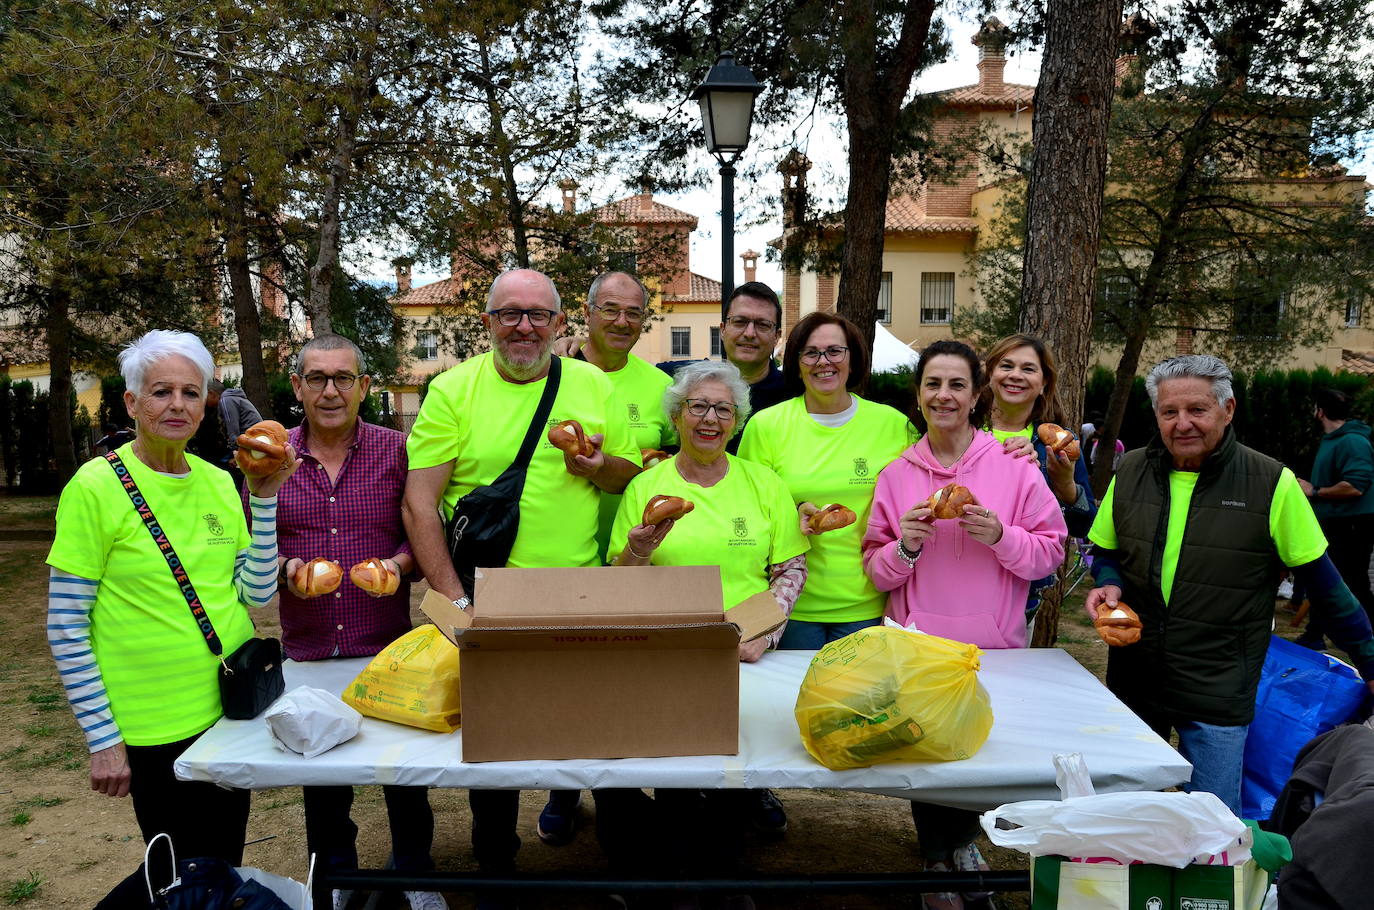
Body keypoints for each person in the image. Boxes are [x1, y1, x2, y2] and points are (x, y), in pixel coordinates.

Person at [401, 269, 639, 908]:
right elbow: (420, 505)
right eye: (509, 314)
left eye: (538, 315)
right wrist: (453, 602)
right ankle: (498, 870)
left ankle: (619, 870)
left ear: (562, 325)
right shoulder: (453, 390)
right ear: (487, 323)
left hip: (581, 592)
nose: (524, 327)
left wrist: (597, 464)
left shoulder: (592, 384)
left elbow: (625, 477)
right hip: (490, 598)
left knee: (604, 736)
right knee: (496, 745)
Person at [46, 330, 297, 908]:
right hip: (153, 727)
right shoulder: (96, 486)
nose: (177, 404)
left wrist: (263, 499)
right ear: (132, 403)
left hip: (230, 712)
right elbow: (65, 625)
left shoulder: (217, 480)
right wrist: (104, 740)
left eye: (191, 392)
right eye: (161, 391)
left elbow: (255, 593)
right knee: (180, 874)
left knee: (222, 863)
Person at [1084, 355, 1374, 817]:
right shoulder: (1133, 469)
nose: (1182, 424)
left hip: (1218, 684)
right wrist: (1109, 584)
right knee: (1124, 813)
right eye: (1169, 412)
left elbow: (1327, 588)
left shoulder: (1270, 483)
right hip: (1135, 676)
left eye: (1197, 410)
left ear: (1228, 409)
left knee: (1215, 825)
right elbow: (1107, 552)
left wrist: (1370, 661)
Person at [861, 340, 1066, 910]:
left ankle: (966, 843)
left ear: (978, 395)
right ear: (918, 395)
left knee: (982, 755)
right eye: (933, 384)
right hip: (920, 641)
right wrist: (906, 546)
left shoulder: (1014, 469)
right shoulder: (897, 475)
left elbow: (1050, 554)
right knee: (928, 756)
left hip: (993, 643)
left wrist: (1001, 537)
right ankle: (936, 858)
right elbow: (877, 571)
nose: (943, 396)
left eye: (956, 385)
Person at [608, 359, 808, 902]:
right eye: (698, 406)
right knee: (670, 774)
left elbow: (789, 571)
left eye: (723, 409)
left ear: (738, 420)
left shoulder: (762, 483)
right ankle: (669, 881)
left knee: (734, 771)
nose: (711, 419)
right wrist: (638, 550)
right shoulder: (647, 487)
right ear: (677, 417)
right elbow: (621, 582)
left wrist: (763, 634)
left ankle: (718, 876)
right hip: (664, 653)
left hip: (741, 652)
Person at [268, 333, 443, 910]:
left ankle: (416, 875)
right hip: (311, 649)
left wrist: (399, 563)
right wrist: (289, 566)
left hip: (386, 644)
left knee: (404, 777)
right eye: (316, 378)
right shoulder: (273, 457)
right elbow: (252, 544)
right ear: (297, 386)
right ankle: (336, 879)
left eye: (344, 378)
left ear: (365, 386)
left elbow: (424, 528)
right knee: (322, 782)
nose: (330, 391)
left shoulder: (397, 450)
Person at [537, 271, 677, 848]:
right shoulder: (560, 370)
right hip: (568, 553)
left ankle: (618, 791)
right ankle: (563, 792)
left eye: (633, 312)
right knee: (568, 677)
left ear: (645, 319)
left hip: (636, 556)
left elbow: (676, 459)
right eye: (610, 310)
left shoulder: (662, 385)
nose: (622, 322)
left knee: (621, 677)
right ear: (586, 313)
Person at [555, 280, 790, 450]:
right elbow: (619, 358)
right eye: (740, 322)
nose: (749, 333)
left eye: (762, 325)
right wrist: (583, 342)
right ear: (722, 329)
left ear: (777, 335)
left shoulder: (795, 393)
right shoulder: (683, 379)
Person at [980, 334, 1097, 627]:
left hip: (1023, 594)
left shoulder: (1059, 444)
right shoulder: (962, 431)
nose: (1015, 375)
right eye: (1006, 365)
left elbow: (1083, 527)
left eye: (1029, 369)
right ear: (990, 374)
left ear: (1044, 383)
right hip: (956, 578)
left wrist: (1066, 487)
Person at [1295, 388, 1374, 648]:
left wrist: (1314, 490)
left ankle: (1365, 636)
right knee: (1323, 578)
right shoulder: (1334, 439)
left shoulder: (1353, 441)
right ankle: (1314, 635)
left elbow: (1356, 485)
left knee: (1354, 582)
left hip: (1351, 524)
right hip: (1334, 521)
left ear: (1320, 411)